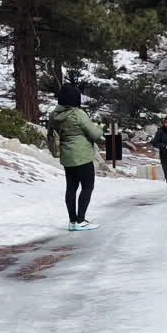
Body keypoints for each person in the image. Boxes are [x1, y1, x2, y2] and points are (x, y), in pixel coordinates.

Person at [49, 83, 105, 231]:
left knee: (71, 188)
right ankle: (81, 220)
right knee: (87, 186)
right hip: (82, 156)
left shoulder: (54, 114)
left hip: (66, 156)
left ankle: (72, 221)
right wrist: (100, 128)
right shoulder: (78, 113)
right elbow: (95, 134)